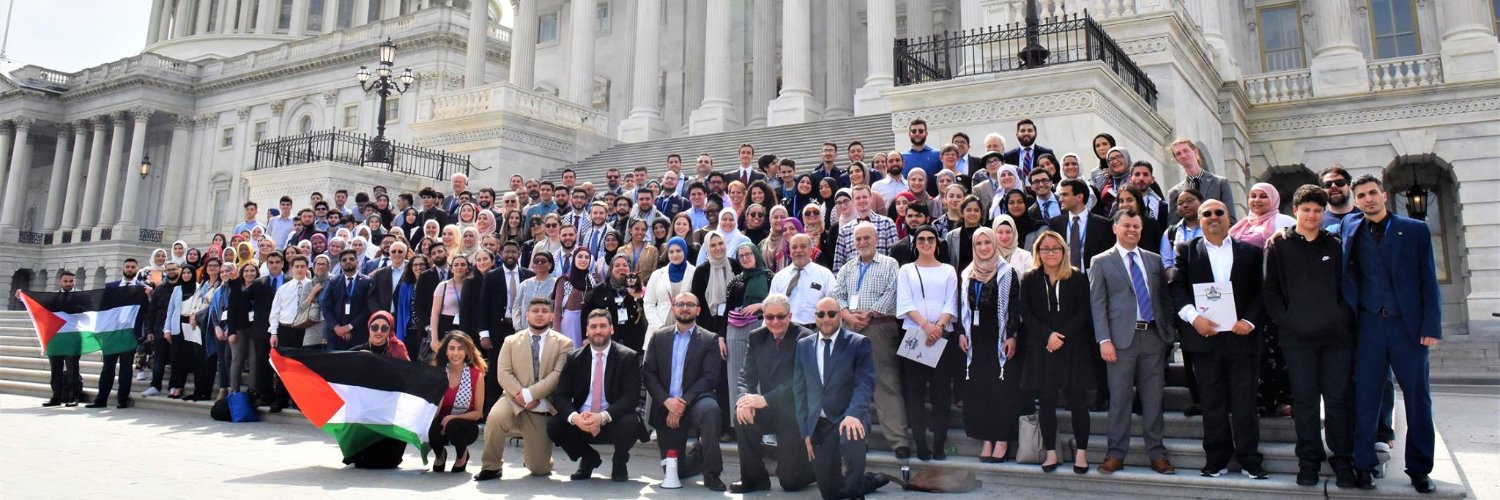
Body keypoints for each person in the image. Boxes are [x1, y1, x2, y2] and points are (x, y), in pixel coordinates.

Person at [1339, 175, 1441, 494]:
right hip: (1368, 326)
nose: (1368, 199)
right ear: (1355, 201)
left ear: (1384, 195)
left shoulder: (1414, 230)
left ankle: (1420, 468)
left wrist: (1430, 327)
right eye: (1361, 195)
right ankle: (1364, 464)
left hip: (1407, 328)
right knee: (1366, 398)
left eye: (1373, 193)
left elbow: (1428, 280)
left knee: (1418, 399)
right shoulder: (1348, 229)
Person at [1263, 185, 1359, 488]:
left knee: (1337, 400)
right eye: (1306, 210)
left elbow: (1348, 286)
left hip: (1335, 338)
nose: (1312, 215)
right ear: (1296, 211)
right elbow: (1271, 291)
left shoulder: (1336, 244)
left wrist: (1341, 317)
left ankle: (1342, 460)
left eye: (1318, 210)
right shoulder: (1278, 245)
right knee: (1304, 402)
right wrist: (1287, 321)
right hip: (1297, 339)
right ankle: (1309, 461)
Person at [1168, 199, 1269, 480]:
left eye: (1218, 213)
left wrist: (1248, 321)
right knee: (1212, 402)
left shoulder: (1250, 252)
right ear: (1199, 220)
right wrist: (1193, 317)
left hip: (1241, 339)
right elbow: (1177, 288)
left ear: (1229, 218)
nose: (1213, 217)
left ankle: (1250, 459)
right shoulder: (1187, 252)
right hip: (1204, 338)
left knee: (1245, 402)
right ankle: (1216, 458)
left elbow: (1262, 292)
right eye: (1206, 214)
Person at [1089, 210, 1177, 475]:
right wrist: (1104, 339)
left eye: (1136, 226)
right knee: (1119, 400)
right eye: (1126, 225)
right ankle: (1116, 453)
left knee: (1153, 399)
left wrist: (1168, 334)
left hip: (1152, 337)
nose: (1132, 230)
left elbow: (1164, 300)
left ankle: (1157, 453)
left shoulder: (1153, 260)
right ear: (1115, 228)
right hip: (1119, 340)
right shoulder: (1101, 261)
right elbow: (1098, 303)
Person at [792, 297, 889, 500]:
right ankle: (868, 481)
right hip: (820, 422)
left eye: (831, 314)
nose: (826, 319)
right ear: (815, 316)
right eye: (820, 314)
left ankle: (856, 485)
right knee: (829, 493)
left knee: (852, 435)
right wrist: (805, 430)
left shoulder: (858, 343)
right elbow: (799, 390)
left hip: (849, 416)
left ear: (840, 316)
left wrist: (854, 414)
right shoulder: (803, 345)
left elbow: (865, 383)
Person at [831, 222, 911, 459]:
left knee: (886, 382)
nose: (863, 243)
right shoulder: (847, 268)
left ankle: (898, 441)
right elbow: (838, 295)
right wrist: (847, 316)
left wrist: (870, 313)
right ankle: (855, 439)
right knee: (850, 384)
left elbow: (893, 292)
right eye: (858, 240)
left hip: (879, 328)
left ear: (876, 239)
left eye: (867, 238)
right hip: (849, 330)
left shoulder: (889, 264)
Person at [1018, 231, 1094, 473]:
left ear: (1064, 251)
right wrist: (1048, 336)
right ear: (1038, 252)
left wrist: (1060, 336)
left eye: (1055, 248)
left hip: (1072, 348)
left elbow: (1083, 313)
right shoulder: (1029, 279)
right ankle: (1050, 452)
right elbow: (1026, 314)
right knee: (1047, 402)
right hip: (1042, 348)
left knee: (1078, 402)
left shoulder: (1078, 278)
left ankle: (1081, 452)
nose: (1050, 253)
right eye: (1045, 249)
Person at [475, 298, 575, 481]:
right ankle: (492, 466)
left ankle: (538, 456)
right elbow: (503, 373)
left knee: (539, 469)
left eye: (544, 311)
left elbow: (557, 375)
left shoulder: (565, 343)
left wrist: (531, 395)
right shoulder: (510, 341)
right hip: (513, 399)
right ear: (527, 315)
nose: (539, 314)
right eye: (535, 310)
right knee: (495, 418)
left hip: (543, 404)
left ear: (552, 316)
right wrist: (521, 395)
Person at [642, 293, 728, 491]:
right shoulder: (659, 337)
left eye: (690, 304)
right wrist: (667, 402)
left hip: (696, 401)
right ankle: (699, 452)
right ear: (673, 308)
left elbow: (709, 377)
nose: (685, 308)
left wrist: (681, 403)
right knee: (675, 471)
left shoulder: (709, 339)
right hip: (666, 404)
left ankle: (712, 474)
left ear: (698, 310)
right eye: (680, 304)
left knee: (711, 410)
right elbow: (649, 374)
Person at [731, 294, 816, 493]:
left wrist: (765, 399)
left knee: (790, 483)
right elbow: (746, 375)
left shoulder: (805, 337)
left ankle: (814, 468)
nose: (775, 322)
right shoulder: (756, 336)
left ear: (790, 315)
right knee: (741, 416)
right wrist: (744, 400)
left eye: (781, 316)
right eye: (770, 317)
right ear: (764, 317)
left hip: (795, 413)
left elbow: (799, 382)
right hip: (769, 407)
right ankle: (754, 479)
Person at [546, 310, 643, 482]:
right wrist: (575, 418)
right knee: (554, 425)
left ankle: (620, 460)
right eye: (593, 327)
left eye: (603, 326)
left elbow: (631, 397)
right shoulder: (574, 358)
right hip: (582, 420)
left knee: (630, 422)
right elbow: (561, 395)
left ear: (611, 329)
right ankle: (589, 457)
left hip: (612, 419)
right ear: (587, 331)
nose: (598, 331)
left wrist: (602, 416)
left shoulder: (628, 357)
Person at [957, 227, 1025, 462]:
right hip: (975, 340)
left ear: (995, 245)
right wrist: (960, 333)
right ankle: (987, 438)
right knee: (981, 391)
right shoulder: (967, 274)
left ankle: (1002, 439)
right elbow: (961, 307)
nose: (984, 248)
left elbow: (1016, 307)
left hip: (1000, 338)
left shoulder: (1007, 273)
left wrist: (1013, 335)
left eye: (988, 243)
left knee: (1001, 391)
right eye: (979, 244)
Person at [1230, 183, 1295, 418]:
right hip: (1245, 297)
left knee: (1275, 352)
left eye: (1263, 197)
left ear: (1274, 199)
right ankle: (1258, 401)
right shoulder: (1239, 226)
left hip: (1274, 294)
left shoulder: (1284, 222)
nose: (1257, 200)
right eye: (1253, 196)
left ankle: (1280, 401)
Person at [895, 225, 960, 461]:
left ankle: (939, 443)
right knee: (915, 392)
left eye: (930, 238)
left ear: (937, 242)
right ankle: (921, 443)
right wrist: (925, 326)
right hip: (914, 334)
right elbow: (904, 301)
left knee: (941, 392)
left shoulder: (948, 271)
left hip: (942, 336)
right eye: (921, 239)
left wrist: (938, 327)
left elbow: (951, 302)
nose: (925, 243)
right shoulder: (906, 270)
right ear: (915, 244)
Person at [344, 311, 413, 469]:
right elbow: (334, 366)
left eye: (384, 328)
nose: (379, 332)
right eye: (374, 327)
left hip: (389, 413)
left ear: (390, 330)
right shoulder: (357, 352)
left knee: (388, 461)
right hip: (366, 413)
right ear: (369, 329)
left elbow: (409, 378)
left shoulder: (397, 350)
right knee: (363, 462)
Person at [724, 242, 772, 425]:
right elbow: (726, 310)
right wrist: (721, 337)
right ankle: (739, 422)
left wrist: (760, 305)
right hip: (735, 330)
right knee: (736, 376)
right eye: (741, 256)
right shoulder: (736, 281)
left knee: (762, 375)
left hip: (761, 327)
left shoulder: (769, 277)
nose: (745, 258)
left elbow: (778, 302)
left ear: (756, 255)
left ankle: (765, 424)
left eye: (748, 254)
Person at [429, 331, 487, 474]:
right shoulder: (437, 372)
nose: (456, 353)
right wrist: (441, 387)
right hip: (439, 420)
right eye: (452, 348)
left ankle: (462, 455)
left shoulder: (476, 375)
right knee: (430, 426)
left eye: (460, 348)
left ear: (467, 352)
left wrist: (452, 418)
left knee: (453, 426)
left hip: (464, 424)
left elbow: (478, 413)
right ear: (446, 351)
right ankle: (439, 454)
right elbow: (430, 410)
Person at [267, 255, 314, 413]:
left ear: (307, 267)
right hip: (286, 330)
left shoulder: (313, 286)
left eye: (302, 266)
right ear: (291, 268)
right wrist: (274, 332)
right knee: (284, 368)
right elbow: (275, 312)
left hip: (304, 330)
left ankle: (299, 400)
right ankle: (280, 399)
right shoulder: (284, 288)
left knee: (302, 368)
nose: (300, 269)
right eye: (297, 266)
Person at [1049, 179, 1116, 275]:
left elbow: (1108, 257)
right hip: (1063, 278)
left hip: (1093, 278)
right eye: (1060, 195)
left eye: (1065, 195)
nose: (1060, 199)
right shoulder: (1055, 224)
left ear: (1079, 197)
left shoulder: (1103, 225)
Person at [36, 271, 84, 407]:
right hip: (55, 337)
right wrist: (22, 298)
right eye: (65, 281)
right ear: (60, 282)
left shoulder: (81, 296)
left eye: (71, 281)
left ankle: (73, 397)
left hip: (73, 337)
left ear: (74, 281)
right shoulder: (53, 297)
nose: (68, 284)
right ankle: (56, 397)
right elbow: (37, 307)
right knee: (55, 369)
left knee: (72, 369)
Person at [1165, 138, 1236, 226]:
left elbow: (1231, 219)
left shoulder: (1220, 183)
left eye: (1186, 150)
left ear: (1196, 152)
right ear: (1176, 159)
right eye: (1178, 154)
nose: (1183, 155)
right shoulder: (1175, 192)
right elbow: (1173, 225)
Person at [584, 256, 648, 352]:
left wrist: (638, 298)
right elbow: (586, 312)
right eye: (617, 265)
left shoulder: (640, 289)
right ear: (611, 269)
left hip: (634, 342)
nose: (621, 268)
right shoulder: (599, 290)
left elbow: (648, 310)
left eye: (625, 265)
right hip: (608, 342)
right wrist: (586, 336)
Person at [769, 234, 835, 326]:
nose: (798, 250)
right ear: (790, 251)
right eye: (794, 247)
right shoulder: (779, 277)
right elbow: (771, 307)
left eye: (803, 246)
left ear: (811, 250)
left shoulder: (825, 275)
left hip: (815, 331)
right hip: (785, 332)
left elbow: (833, 306)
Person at [323, 249, 372, 351]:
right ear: (340, 264)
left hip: (359, 333)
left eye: (351, 259)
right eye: (344, 260)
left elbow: (367, 308)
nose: (348, 261)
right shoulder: (333, 282)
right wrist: (337, 328)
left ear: (357, 262)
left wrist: (350, 327)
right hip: (336, 334)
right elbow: (326, 308)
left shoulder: (367, 282)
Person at [645, 237, 697, 333]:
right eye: (671, 252)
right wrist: (658, 327)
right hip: (660, 328)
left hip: (687, 326)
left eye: (678, 251)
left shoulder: (695, 273)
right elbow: (648, 303)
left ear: (685, 252)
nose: (675, 255)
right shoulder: (657, 274)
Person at [691, 232, 734, 336]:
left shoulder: (735, 265)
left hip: (733, 322)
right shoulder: (701, 271)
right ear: (707, 248)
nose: (718, 248)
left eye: (720, 243)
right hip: (709, 325)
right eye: (713, 245)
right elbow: (697, 302)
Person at [552, 247, 596, 347]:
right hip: (569, 323)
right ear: (574, 259)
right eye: (580, 257)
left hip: (586, 323)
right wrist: (556, 334)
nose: (583, 260)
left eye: (586, 257)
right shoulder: (565, 280)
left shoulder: (591, 280)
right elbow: (557, 309)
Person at [902, 119, 942, 193]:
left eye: (921, 131)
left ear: (926, 133)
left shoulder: (938, 154)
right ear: (909, 134)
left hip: (931, 201)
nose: (917, 133)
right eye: (914, 131)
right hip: (909, 201)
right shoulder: (902, 157)